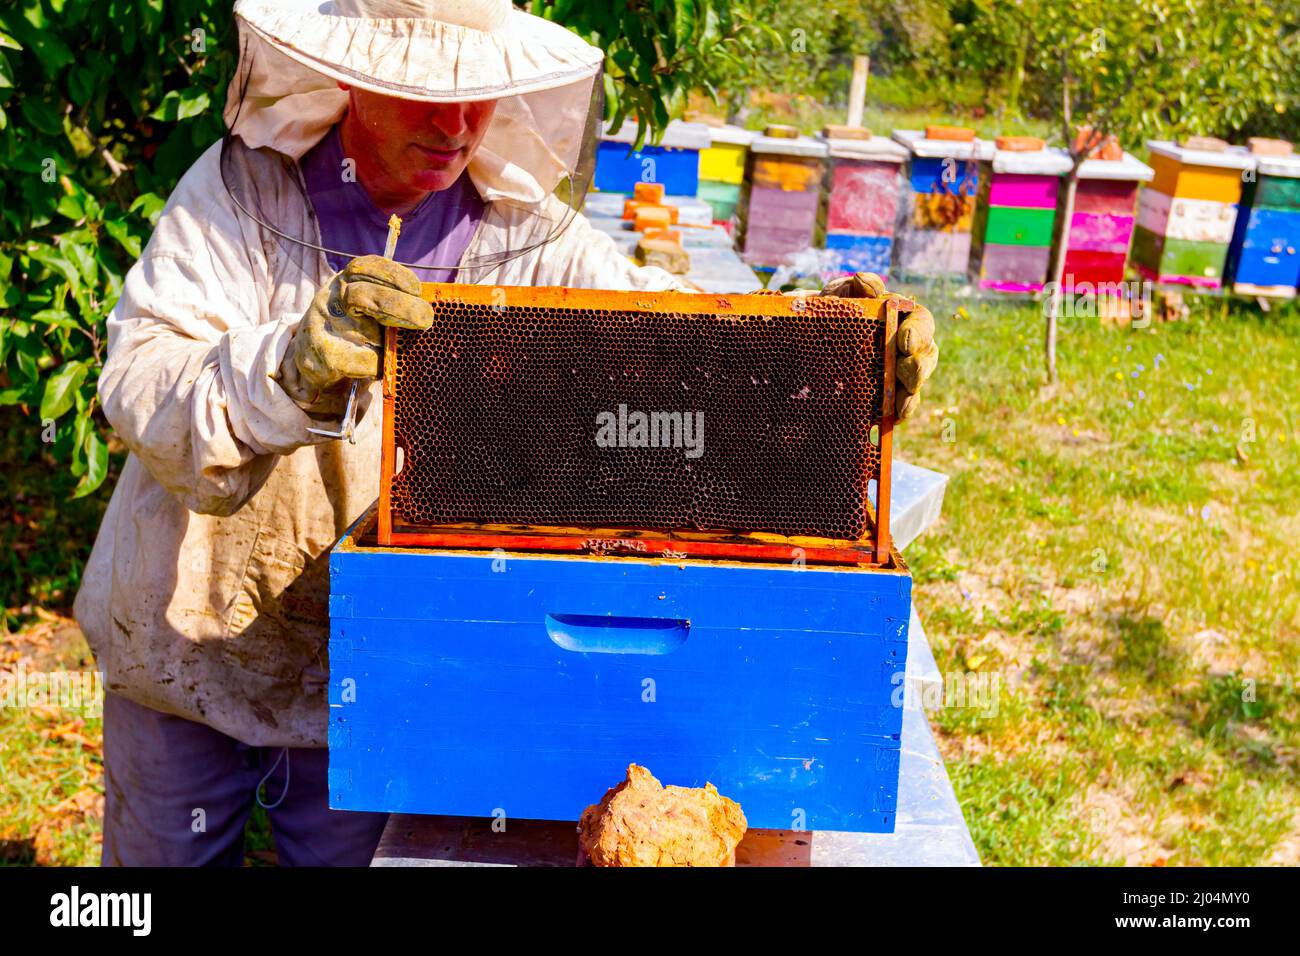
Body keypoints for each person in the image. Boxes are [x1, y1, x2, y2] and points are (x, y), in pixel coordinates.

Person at [73, 0, 938, 866]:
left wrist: (827, 354)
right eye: (422, 94)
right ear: (353, 80)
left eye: (477, 94)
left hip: (376, 654)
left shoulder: (525, 230)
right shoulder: (235, 193)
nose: (456, 125)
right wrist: (291, 362)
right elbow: (140, 381)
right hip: (188, 634)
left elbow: (670, 340)